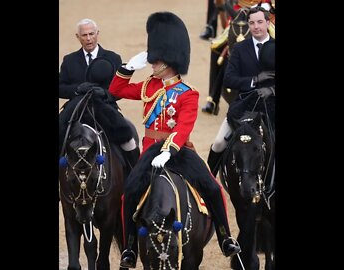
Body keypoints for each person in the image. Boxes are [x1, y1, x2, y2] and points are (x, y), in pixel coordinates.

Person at [108, 11, 241, 268]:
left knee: (213, 188)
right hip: (149, 150)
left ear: (168, 62)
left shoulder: (188, 94)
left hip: (178, 151)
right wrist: (126, 69)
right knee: (129, 193)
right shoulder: (149, 86)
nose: (151, 63)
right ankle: (131, 248)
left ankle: (225, 237)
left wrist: (169, 150)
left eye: (155, 60)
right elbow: (116, 91)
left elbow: (183, 126)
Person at [59, 18, 138, 166]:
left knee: (126, 136)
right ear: (78, 37)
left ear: (97, 34)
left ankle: (135, 172)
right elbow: (60, 87)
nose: (88, 39)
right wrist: (77, 89)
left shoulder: (113, 58)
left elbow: (120, 89)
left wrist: (105, 93)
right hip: (76, 110)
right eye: (84, 35)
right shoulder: (69, 60)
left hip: (105, 107)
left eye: (91, 34)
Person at [207, 6, 275, 177]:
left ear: (268, 23)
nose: (256, 27)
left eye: (260, 22)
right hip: (245, 105)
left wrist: (271, 90)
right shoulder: (239, 49)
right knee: (218, 143)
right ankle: (207, 185)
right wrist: (255, 80)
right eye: (252, 23)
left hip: (273, 105)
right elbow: (229, 79)